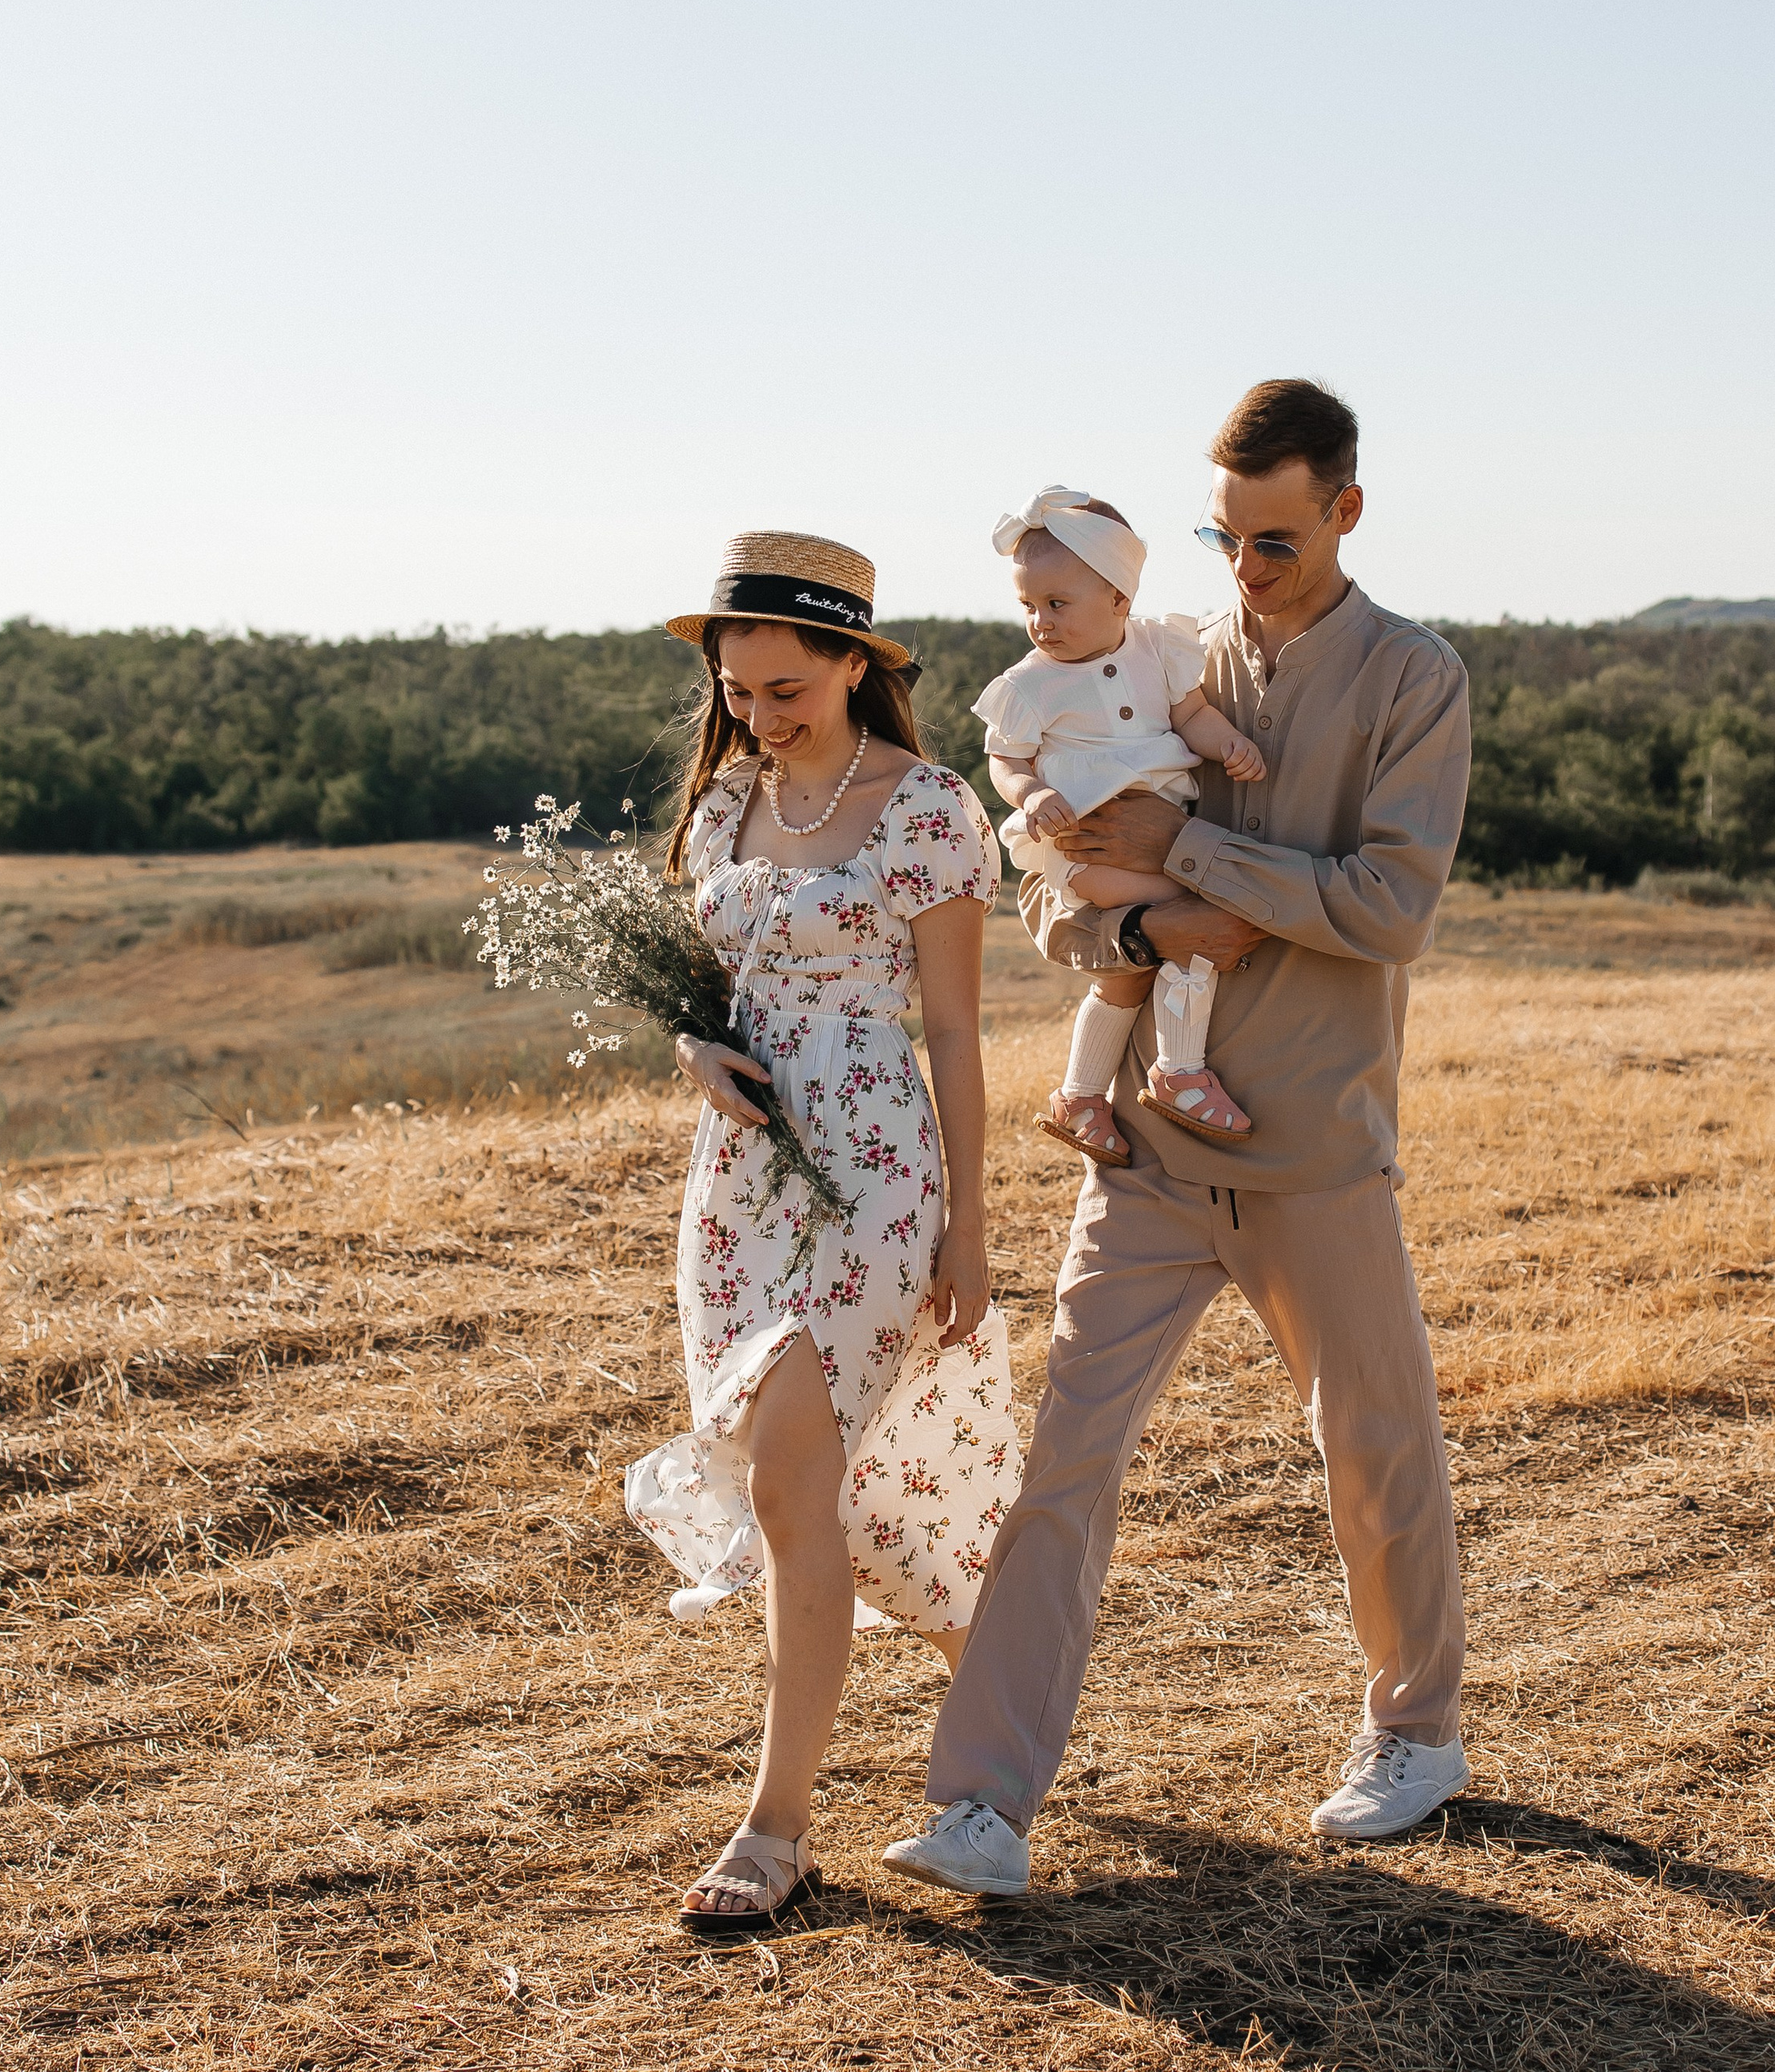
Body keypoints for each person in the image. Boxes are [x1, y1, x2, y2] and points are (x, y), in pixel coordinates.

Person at [883, 379, 1475, 1894]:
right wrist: (1128, 909)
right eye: (1224, 537)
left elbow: (1387, 910)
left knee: (1375, 1451)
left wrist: (1190, 850)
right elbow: (1050, 891)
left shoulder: (1415, 680)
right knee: (1061, 1473)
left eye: (1274, 540)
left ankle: (1414, 1733)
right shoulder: (1154, 661)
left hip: (1316, 1152)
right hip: (1144, 1147)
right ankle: (984, 1802)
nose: (1245, 571)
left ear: (1345, 509)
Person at [624, 531, 1014, 1933]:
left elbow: (958, 1031)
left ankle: (776, 1827)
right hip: (737, 1185)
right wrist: (690, 1045)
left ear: (857, 663)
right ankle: (1011, 1696)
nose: (759, 712)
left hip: (875, 1170)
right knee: (822, 1491)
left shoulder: (926, 808)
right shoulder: (725, 808)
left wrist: (972, 1224)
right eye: (738, 689)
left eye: (786, 686)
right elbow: (707, 990)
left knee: (795, 1481)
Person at [978, 485, 1268, 1159]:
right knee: (1198, 922)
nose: (1040, 623)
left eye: (1057, 604)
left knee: (1127, 975)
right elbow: (1005, 760)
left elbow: (1191, 716)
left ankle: (1080, 1096)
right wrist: (1027, 796)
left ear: (1119, 597)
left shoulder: (1160, 649)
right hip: (1089, 846)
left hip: (1160, 838)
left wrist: (1227, 743)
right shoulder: (1030, 683)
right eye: (1028, 606)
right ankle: (1180, 1071)